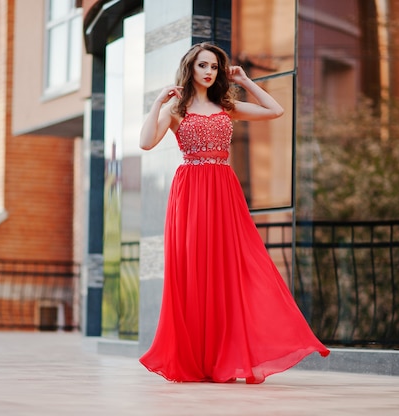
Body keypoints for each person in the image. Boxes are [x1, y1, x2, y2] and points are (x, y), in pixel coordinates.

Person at [139, 42, 329, 384]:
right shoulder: (175, 109)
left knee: (229, 269)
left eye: (214, 66)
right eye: (203, 66)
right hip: (191, 191)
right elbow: (145, 142)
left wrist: (246, 80)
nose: (209, 72)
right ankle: (195, 359)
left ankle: (225, 358)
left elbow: (275, 111)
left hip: (224, 191)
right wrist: (157, 103)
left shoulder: (226, 106)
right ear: (190, 69)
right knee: (193, 272)